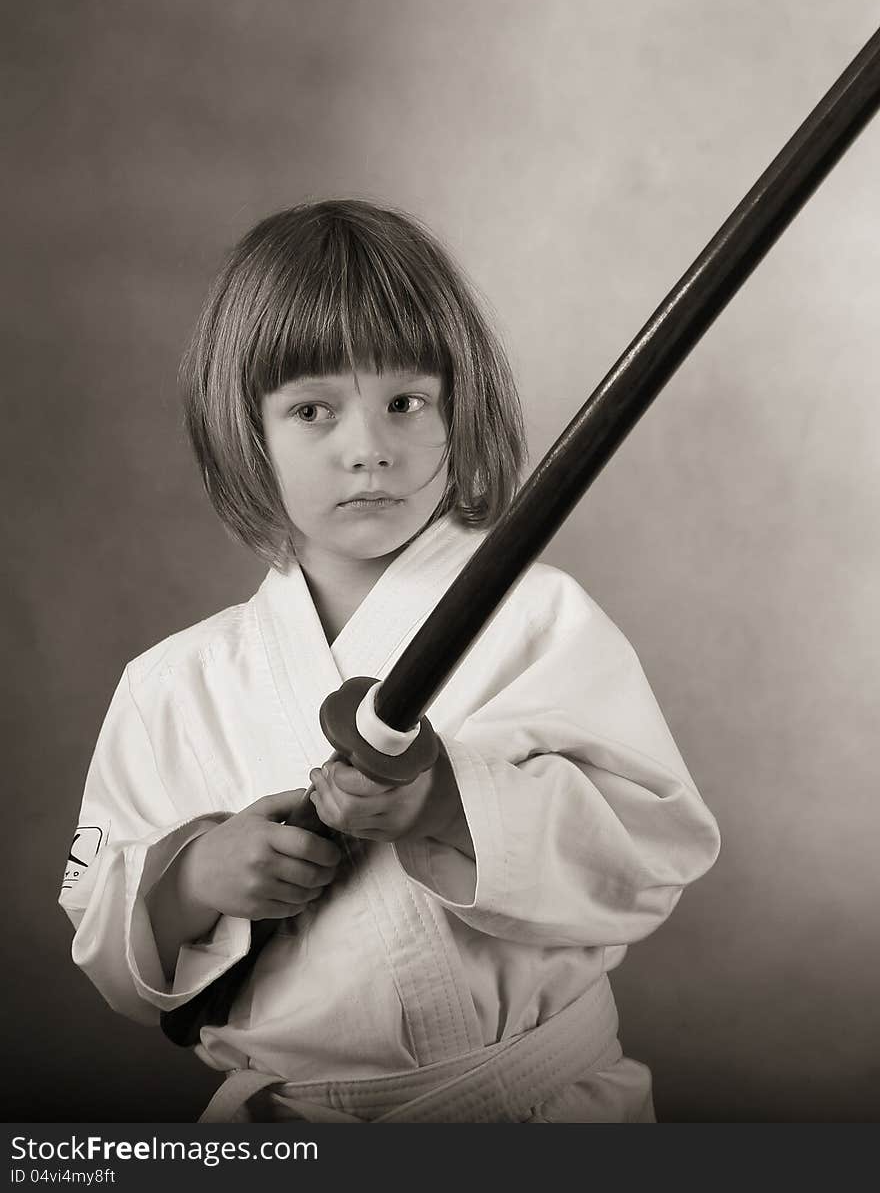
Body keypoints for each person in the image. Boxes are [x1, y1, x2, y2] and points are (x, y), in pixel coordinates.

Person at [60, 198, 720, 1123]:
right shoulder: (173, 686)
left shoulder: (535, 615)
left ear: (460, 408)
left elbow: (654, 853)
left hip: (541, 1106)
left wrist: (451, 801)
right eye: (312, 411)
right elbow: (105, 933)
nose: (367, 449)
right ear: (246, 431)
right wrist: (194, 882)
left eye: (405, 402)